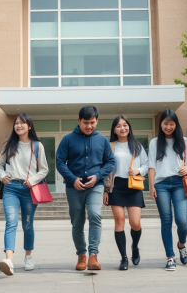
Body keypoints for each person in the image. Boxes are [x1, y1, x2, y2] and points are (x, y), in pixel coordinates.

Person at [56, 105, 115, 271]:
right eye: (85, 122)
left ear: (97, 121)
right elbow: (60, 161)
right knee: (77, 223)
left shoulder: (102, 140)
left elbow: (110, 162)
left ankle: (93, 256)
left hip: (95, 186)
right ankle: (81, 255)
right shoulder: (67, 139)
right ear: (78, 121)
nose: (89, 126)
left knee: (95, 215)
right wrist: (72, 179)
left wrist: (98, 176)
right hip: (74, 188)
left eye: (92, 122)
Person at [0, 114, 49, 276]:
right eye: (16, 123)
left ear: (29, 126)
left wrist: (32, 180)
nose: (19, 126)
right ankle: (9, 261)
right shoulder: (8, 145)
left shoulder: (37, 146)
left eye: (22, 123)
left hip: (29, 190)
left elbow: (44, 169)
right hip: (11, 188)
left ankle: (28, 257)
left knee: (27, 224)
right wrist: (2, 175)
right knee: (11, 221)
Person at [148, 109, 187, 271]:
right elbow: (152, 166)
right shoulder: (155, 142)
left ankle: (181, 245)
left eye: (171, 123)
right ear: (160, 124)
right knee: (166, 221)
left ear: (176, 124)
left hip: (179, 183)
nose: (168, 127)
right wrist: (151, 186)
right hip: (161, 185)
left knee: (182, 220)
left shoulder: (183, 141)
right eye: (165, 123)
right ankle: (170, 257)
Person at [103, 116, 149, 271]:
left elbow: (146, 164)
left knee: (135, 223)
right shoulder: (110, 146)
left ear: (129, 127)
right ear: (114, 130)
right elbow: (106, 169)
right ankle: (123, 258)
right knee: (120, 220)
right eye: (118, 126)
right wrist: (105, 190)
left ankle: (135, 247)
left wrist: (138, 170)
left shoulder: (136, 146)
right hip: (116, 186)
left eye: (125, 125)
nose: (122, 128)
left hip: (133, 185)